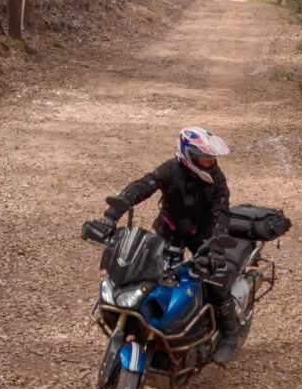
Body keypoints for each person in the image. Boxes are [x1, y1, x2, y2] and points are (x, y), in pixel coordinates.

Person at [89, 126, 242, 364]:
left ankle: (230, 336)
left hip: (202, 235)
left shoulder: (216, 178)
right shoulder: (170, 170)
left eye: (212, 158)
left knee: (215, 282)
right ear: (188, 155)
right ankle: (148, 324)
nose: (209, 162)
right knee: (145, 274)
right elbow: (142, 187)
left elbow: (221, 211)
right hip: (168, 230)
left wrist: (215, 248)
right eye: (204, 157)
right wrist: (110, 216)